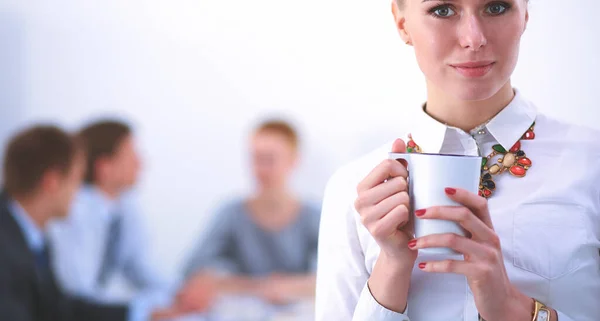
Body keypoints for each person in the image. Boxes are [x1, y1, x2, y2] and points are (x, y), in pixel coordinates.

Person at [315, 1, 600, 321]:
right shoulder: (351, 189)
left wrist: (515, 311)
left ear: (525, 14)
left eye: (496, 7)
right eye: (442, 10)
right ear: (402, 22)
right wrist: (392, 267)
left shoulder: (592, 164)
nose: (473, 38)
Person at [0, 125, 183, 321]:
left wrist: (140, 313)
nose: (78, 193)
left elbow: (59, 307)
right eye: (76, 180)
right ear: (52, 182)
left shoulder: (34, 237)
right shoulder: (7, 245)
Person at [47, 120, 210, 318]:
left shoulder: (124, 204)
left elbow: (138, 263)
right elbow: (81, 294)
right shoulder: (74, 212)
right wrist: (142, 312)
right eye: (131, 155)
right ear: (104, 167)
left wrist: (181, 293)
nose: (141, 163)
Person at [179, 119, 321, 309]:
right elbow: (192, 272)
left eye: (269, 160)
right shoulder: (230, 214)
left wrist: (285, 288)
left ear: (293, 161)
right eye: (256, 159)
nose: (260, 170)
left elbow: (337, 278)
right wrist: (262, 288)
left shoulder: (314, 217)